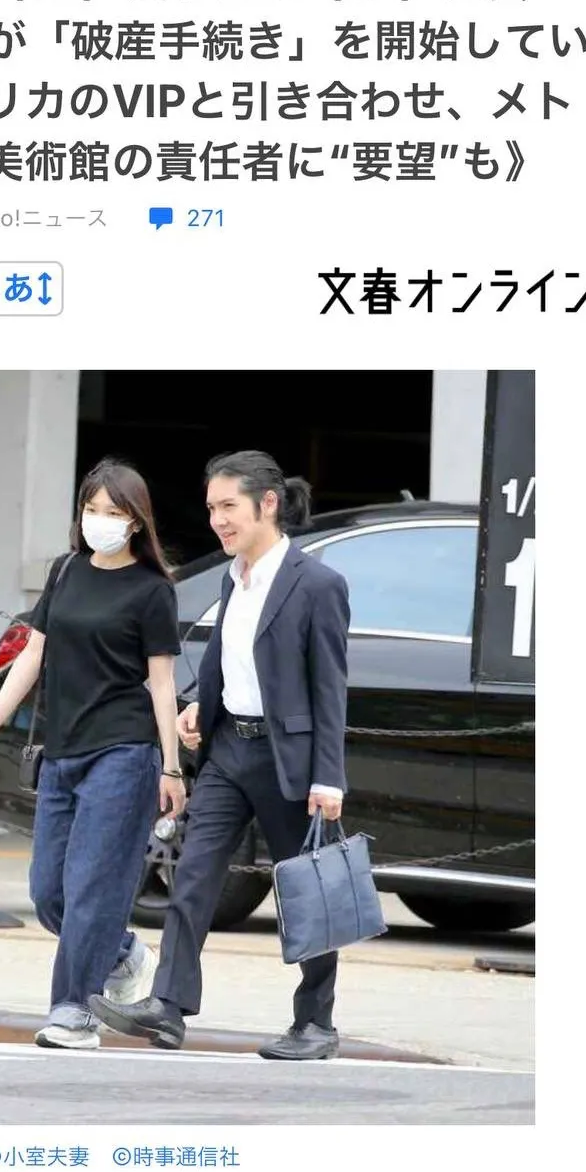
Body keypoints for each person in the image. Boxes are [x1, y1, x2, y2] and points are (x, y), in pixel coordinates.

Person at [89, 450, 350, 1061]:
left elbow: (330, 686)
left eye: (228, 506)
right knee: (195, 875)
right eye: (211, 508)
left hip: (290, 761)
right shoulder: (234, 577)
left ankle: (315, 1023)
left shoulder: (318, 585)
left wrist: (329, 778)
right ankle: (168, 1007)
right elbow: (226, 659)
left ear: (268, 504)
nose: (218, 521)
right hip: (230, 748)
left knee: (307, 891)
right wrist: (201, 709)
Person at [0, 457, 187, 1050]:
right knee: (49, 893)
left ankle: (74, 1012)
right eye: (92, 509)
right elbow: (32, 656)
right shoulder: (66, 572)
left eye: (113, 512)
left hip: (125, 752)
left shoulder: (152, 590)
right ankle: (123, 955)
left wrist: (171, 766)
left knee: (92, 888)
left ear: (136, 521)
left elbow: (161, 683)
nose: (99, 520)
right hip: (62, 752)